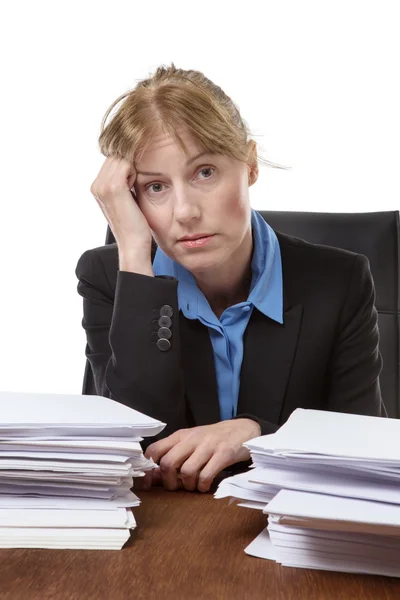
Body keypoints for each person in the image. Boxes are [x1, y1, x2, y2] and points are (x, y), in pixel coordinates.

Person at [75, 63, 384, 494]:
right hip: (160, 539)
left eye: (205, 172)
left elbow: (367, 452)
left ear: (251, 165)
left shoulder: (340, 281)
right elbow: (133, 455)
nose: (184, 212)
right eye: (155, 187)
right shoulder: (111, 277)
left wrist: (259, 435)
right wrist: (131, 249)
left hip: (289, 534)